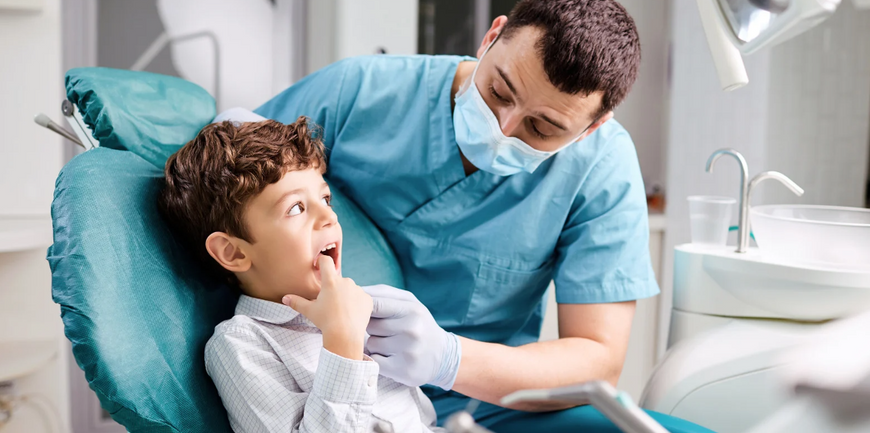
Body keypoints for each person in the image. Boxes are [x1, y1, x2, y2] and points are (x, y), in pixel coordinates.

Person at [255, 1, 711, 431]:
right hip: (326, 376)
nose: (503, 128)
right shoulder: (360, 91)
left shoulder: (600, 166)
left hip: (483, 401)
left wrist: (449, 359)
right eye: (498, 91)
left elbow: (597, 359)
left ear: (592, 127)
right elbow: (226, 168)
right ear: (492, 37)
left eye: (542, 128)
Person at [158, 118, 444, 433]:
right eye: (296, 208)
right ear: (234, 252)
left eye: (325, 199)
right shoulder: (240, 344)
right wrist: (343, 344)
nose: (329, 216)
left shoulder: (359, 309)